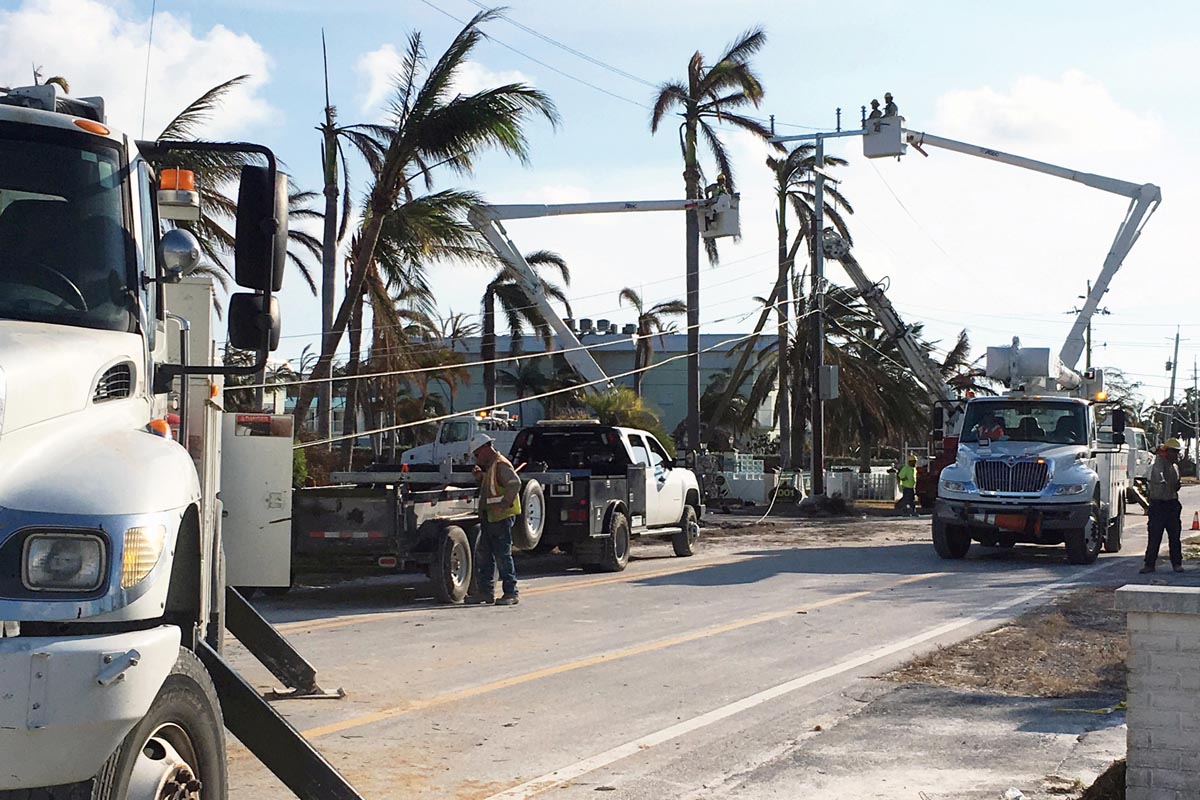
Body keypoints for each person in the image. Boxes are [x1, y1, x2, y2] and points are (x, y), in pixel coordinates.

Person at [466, 433, 523, 605]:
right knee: (486, 555)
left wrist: (504, 504)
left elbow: (515, 483)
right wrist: (480, 478)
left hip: (501, 517)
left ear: (485, 449)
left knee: (502, 556)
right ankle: (485, 593)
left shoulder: (500, 464)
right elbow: (494, 487)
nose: (477, 459)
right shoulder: (492, 467)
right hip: (491, 517)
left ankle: (511, 593)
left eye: (477, 454)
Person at [1141, 438, 1184, 574]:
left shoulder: (1174, 467)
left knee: (1175, 537)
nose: (1176, 455)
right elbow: (1158, 476)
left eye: (1177, 452)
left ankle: (1177, 563)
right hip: (1159, 505)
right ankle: (1149, 564)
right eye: (1173, 452)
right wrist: (1162, 481)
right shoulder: (1159, 463)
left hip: (1171, 505)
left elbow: (1175, 484)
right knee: (1154, 536)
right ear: (1167, 451)